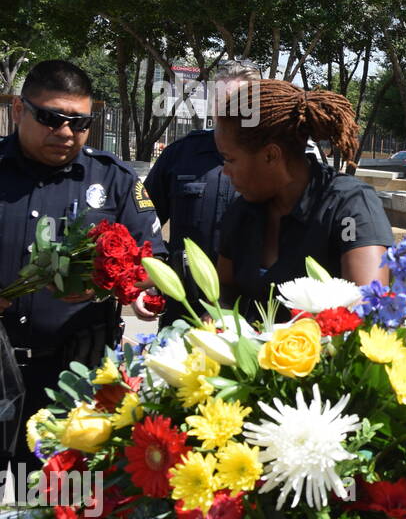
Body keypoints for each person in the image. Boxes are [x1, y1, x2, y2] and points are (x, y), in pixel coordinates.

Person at [0, 60, 163, 470]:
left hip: (74, 379)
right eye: (51, 119)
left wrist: (111, 285)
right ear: (20, 110)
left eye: (80, 122)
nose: (66, 133)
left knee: (63, 504)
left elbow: (152, 261)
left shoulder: (114, 180)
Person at [214, 79, 391, 316]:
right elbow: (224, 292)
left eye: (230, 159)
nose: (224, 171)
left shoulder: (350, 206)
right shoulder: (242, 212)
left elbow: (368, 311)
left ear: (270, 156)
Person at [144, 60, 258, 320]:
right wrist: (149, 277)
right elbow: (144, 222)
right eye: (219, 100)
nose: (225, 109)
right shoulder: (180, 155)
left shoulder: (270, 161)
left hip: (251, 316)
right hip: (184, 310)